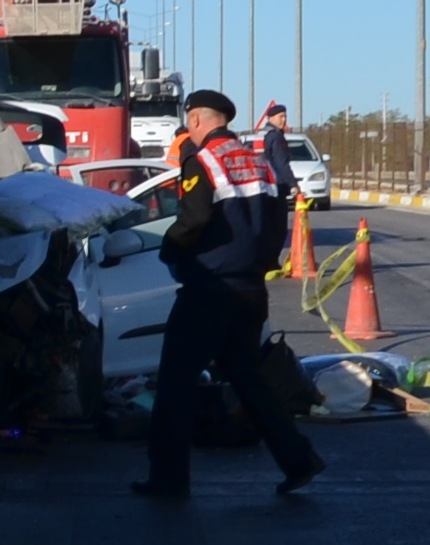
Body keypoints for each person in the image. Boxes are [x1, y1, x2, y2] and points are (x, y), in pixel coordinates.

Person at [136, 90, 323, 502]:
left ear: (199, 120)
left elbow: (195, 218)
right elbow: (278, 223)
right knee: (248, 380)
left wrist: (170, 248)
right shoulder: (259, 162)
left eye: (189, 123)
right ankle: (299, 460)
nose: (188, 130)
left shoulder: (201, 161)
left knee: (174, 382)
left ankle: (168, 479)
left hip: (210, 289)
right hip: (252, 289)